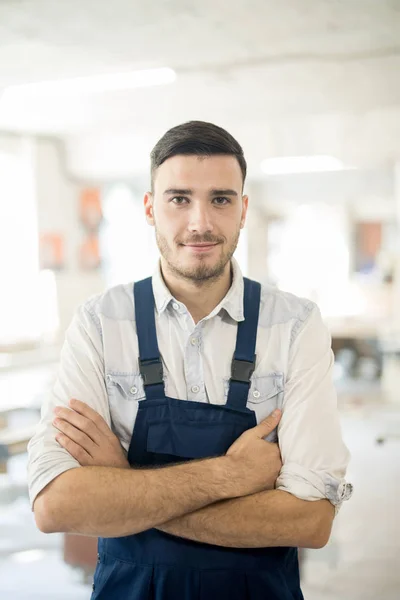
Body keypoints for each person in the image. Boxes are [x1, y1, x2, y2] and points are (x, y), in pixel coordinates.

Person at [28, 121, 352, 600]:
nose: (200, 222)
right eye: (179, 198)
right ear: (149, 208)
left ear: (243, 210)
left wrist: (123, 486)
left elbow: (310, 521)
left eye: (220, 199)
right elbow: (56, 506)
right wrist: (232, 476)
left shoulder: (294, 326)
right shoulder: (99, 324)